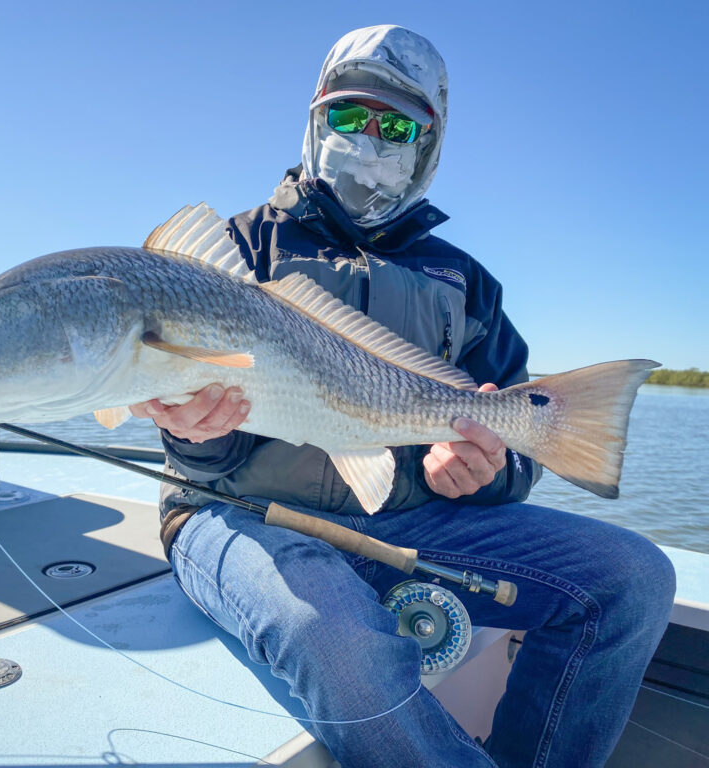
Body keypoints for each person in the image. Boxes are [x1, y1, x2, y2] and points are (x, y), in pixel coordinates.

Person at [129, 25, 675, 767]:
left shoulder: (466, 282)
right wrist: (196, 433)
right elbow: (195, 448)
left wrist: (488, 473)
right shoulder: (234, 253)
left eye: (399, 125)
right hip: (238, 513)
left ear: (431, 143)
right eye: (350, 115)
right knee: (343, 644)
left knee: (635, 580)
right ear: (316, 119)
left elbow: (515, 439)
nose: (370, 138)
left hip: (407, 521)